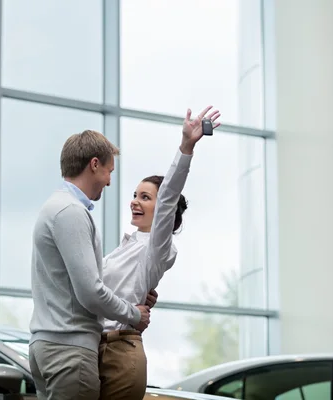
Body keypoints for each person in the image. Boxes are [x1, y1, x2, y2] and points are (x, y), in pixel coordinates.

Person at [97, 105, 221, 400]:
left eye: (145, 197)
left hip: (121, 352)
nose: (134, 202)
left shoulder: (157, 247)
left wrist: (186, 147)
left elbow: (168, 198)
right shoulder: (126, 246)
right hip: (95, 348)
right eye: (134, 195)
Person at [28, 129, 152, 400]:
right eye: (109, 171)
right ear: (94, 165)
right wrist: (134, 314)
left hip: (49, 346)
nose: (108, 182)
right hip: (69, 352)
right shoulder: (71, 212)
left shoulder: (55, 207)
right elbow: (90, 291)